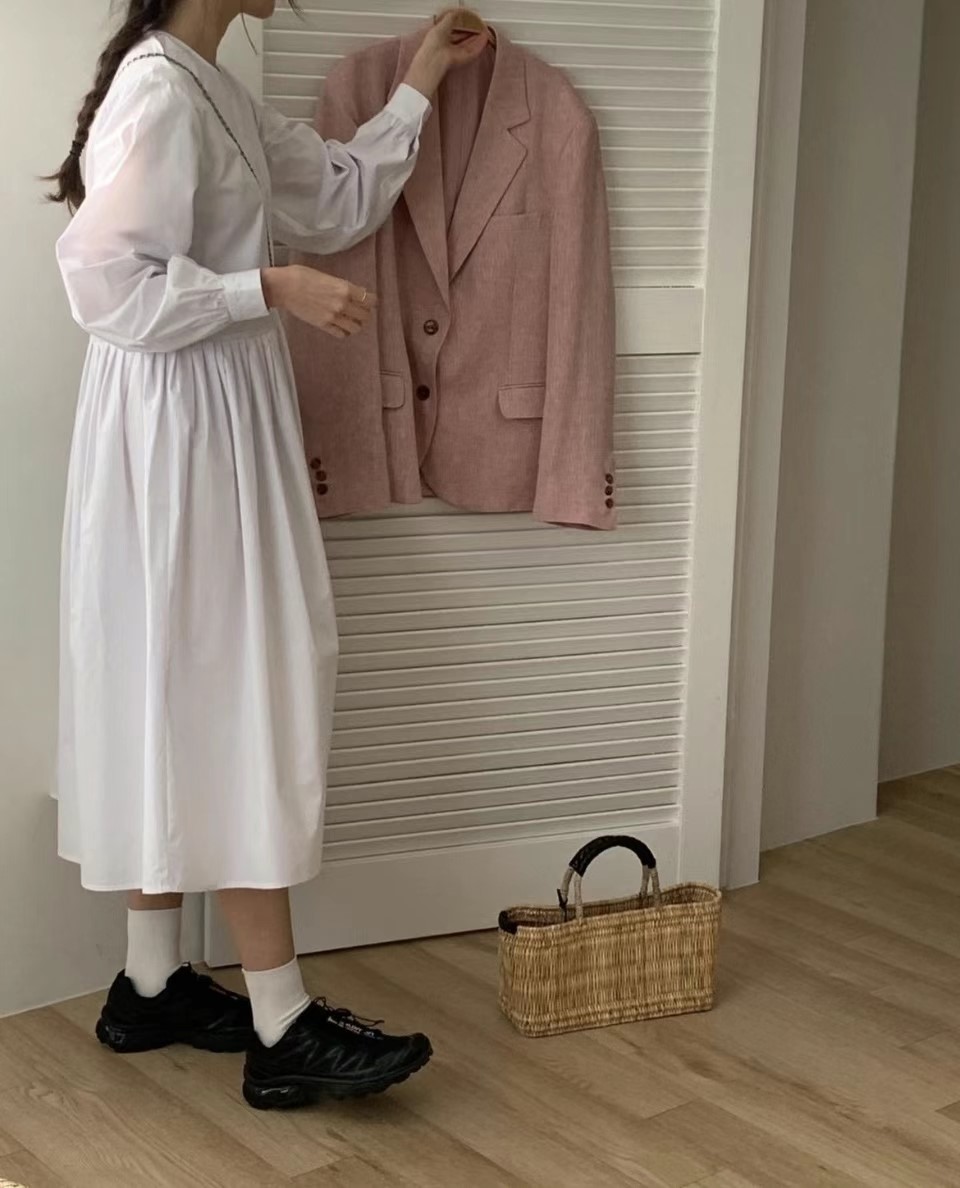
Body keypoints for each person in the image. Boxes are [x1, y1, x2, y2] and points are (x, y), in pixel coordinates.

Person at [46, 0, 486, 1111]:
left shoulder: (210, 87)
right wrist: (266, 288)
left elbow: (333, 195)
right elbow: (104, 282)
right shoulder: (160, 89)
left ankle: (151, 983)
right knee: (231, 684)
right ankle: (281, 1020)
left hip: (202, 416)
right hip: (179, 427)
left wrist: (424, 74)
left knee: (185, 680)